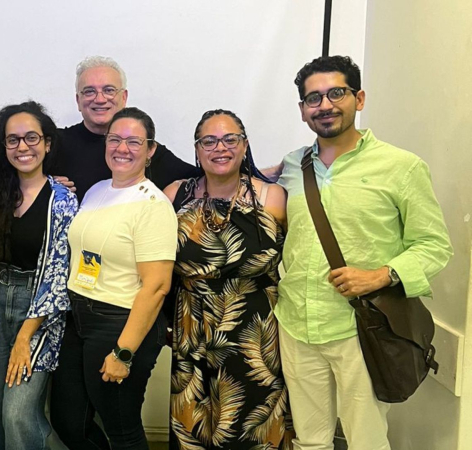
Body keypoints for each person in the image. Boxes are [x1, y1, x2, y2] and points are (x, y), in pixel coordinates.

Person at [276, 55, 452, 450]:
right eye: (313, 98)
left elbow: (434, 245)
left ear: (359, 98)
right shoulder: (291, 167)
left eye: (336, 93)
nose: (325, 105)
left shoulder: (401, 167)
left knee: (366, 440)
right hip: (296, 323)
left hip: (363, 326)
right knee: (310, 439)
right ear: (303, 109)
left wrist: (381, 274)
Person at [163, 109, 291, 449]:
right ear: (196, 149)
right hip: (193, 324)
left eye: (229, 139)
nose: (220, 148)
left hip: (255, 331)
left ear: (244, 145)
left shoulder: (272, 198)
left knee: (253, 424)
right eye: (209, 140)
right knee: (195, 424)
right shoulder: (175, 195)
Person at [50, 107, 177, 450]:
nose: (123, 148)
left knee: (122, 430)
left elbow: (157, 286)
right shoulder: (96, 190)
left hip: (119, 323)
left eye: (134, 141)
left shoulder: (153, 205)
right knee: (68, 422)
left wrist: (124, 352)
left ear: (150, 150)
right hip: (79, 320)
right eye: (115, 139)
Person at [0, 101, 78, 450]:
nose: (22, 147)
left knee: (18, 414)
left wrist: (24, 338)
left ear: (47, 143)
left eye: (31, 137)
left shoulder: (63, 200)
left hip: (39, 313)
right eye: (12, 140)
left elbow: (59, 276)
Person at [51, 56, 200, 199]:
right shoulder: (55, 144)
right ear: (78, 100)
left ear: (124, 97)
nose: (100, 99)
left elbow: (203, 179)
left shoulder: (142, 149)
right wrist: (45, 184)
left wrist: (174, 190)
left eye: (109, 90)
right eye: (89, 91)